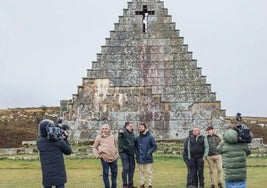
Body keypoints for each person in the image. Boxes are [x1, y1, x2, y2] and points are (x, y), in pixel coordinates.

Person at [37, 119, 72, 188]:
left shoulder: (39, 142)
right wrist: (65, 139)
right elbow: (68, 151)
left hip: (47, 173)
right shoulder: (58, 141)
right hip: (59, 173)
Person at [92, 124, 119, 188]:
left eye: (106, 129)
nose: (104, 130)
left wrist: (117, 153)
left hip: (114, 158)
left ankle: (114, 186)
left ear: (108, 129)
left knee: (114, 173)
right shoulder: (99, 137)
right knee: (106, 173)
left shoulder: (113, 136)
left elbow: (116, 145)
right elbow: (94, 147)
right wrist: (97, 155)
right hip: (104, 158)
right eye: (103, 129)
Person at [135, 123, 157, 188]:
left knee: (149, 172)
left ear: (145, 128)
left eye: (142, 127)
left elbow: (154, 146)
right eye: (139, 127)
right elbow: (135, 147)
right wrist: (137, 153)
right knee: (141, 172)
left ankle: (150, 184)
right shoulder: (137, 138)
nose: (140, 128)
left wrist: (149, 152)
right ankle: (142, 184)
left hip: (148, 157)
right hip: (140, 157)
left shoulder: (151, 137)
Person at [118, 122, 136, 188]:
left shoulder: (132, 133)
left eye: (132, 126)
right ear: (126, 126)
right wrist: (120, 131)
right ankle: (124, 184)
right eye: (131, 126)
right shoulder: (123, 131)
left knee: (132, 167)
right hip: (123, 152)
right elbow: (120, 132)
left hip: (131, 152)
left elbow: (133, 142)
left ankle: (130, 184)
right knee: (126, 167)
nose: (132, 127)